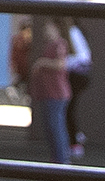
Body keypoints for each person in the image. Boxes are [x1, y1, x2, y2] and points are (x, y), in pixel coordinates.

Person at [26, 18, 75, 163]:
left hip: (57, 94)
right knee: (51, 127)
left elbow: (61, 64)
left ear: (56, 28)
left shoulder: (60, 44)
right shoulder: (50, 45)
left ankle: (62, 159)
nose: (45, 30)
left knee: (56, 127)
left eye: (48, 27)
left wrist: (42, 63)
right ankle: (57, 157)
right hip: (48, 93)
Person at [63, 21, 92, 158]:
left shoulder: (71, 32)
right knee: (69, 109)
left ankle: (74, 143)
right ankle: (76, 136)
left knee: (68, 109)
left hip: (76, 76)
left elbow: (79, 58)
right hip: (80, 75)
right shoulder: (75, 32)